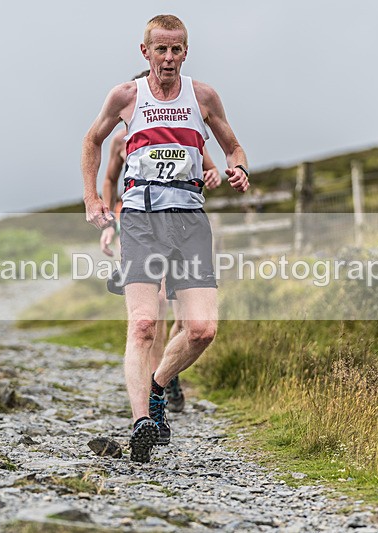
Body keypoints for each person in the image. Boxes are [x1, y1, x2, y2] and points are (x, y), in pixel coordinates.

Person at [81, 14, 249, 462]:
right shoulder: (125, 97)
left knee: (201, 330)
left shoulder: (204, 97)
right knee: (143, 323)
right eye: (161, 49)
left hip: (190, 222)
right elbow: (91, 140)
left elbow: (232, 147)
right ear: (146, 52)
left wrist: (237, 168)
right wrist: (93, 200)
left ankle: (158, 386)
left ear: (186, 52)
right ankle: (141, 422)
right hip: (140, 220)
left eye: (176, 49)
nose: (169, 57)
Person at [99, 71, 222, 415]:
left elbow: (207, 165)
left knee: (184, 316)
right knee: (152, 311)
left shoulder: (182, 130)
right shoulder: (120, 140)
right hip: (138, 220)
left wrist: (213, 174)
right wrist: (108, 223)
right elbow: (109, 180)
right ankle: (156, 385)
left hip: (181, 223)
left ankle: (166, 376)